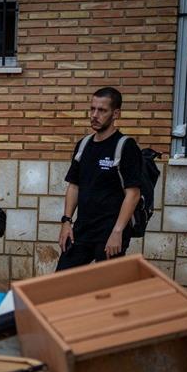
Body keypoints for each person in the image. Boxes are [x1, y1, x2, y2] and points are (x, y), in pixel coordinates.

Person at [56, 87, 144, 271]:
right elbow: (74, 186)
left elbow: (133, 194)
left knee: (107, 289)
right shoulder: (84, 144)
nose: (95, 115)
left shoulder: (125, 146)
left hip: (110, 232)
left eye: (102, 110)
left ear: (116, 113)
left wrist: (117, 232)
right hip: (82, 230)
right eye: (92, 109)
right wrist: (66, 221)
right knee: (60, 282)